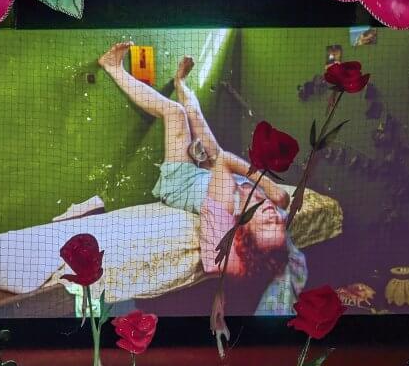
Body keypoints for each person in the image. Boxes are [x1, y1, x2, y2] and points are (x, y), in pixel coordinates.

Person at [98, 42, 305, 314]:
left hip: (182, 182)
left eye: (268, 225)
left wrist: (268, 183)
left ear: (245, 234)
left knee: (176, 113)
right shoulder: (270, 214)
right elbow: (286, 250)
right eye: (278, 222)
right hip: (211, 175)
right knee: (195, 118)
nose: (275, 215)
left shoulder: (226, 219)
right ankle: (180, 82)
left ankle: (112, 67)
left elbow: (224, 161)